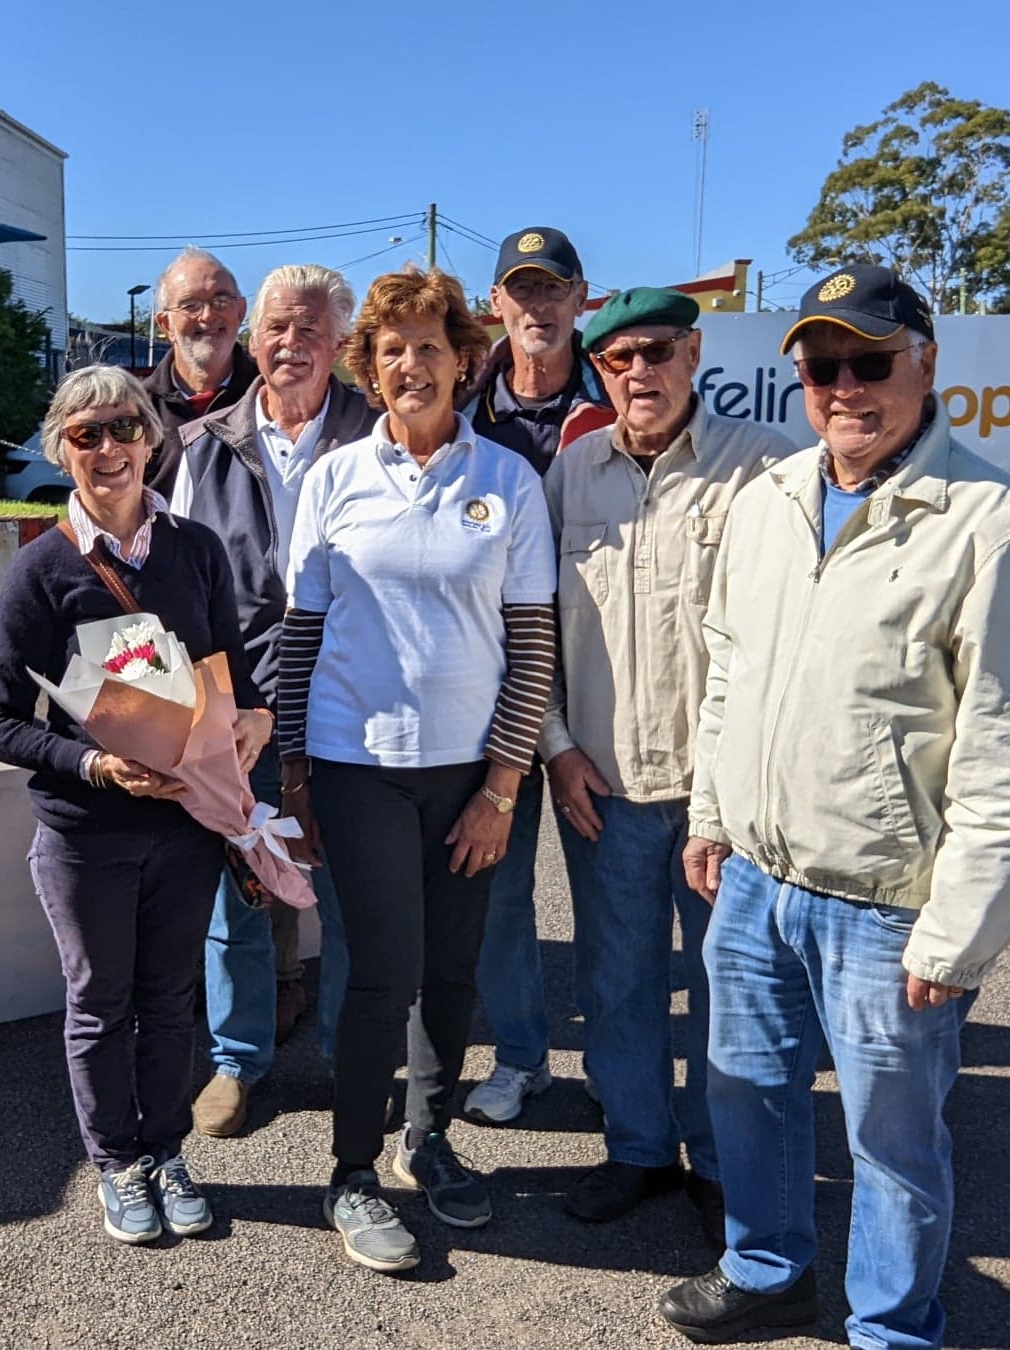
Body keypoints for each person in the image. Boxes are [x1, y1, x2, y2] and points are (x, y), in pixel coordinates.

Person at [659, 265, 1010, 1346]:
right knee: (746, 1092)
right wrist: (711, 816)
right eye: (822, 366)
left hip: (888, 907)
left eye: (870, 361)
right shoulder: (770, 501)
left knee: (893, 1142)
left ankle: (890, 1326)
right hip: (753, 881)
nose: (845, 386)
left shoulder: (994, 527)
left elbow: (1009, 751)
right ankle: (764, 1265)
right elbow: (729, 671)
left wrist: (962, 931)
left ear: (926, 363)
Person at [279, 267, 558, 1272]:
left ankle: (425, 1139)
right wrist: (293, 778)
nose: (410, 365)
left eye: (429, 346)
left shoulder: (508, 482)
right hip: (358, 771)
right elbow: (299, 640)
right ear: (370, 364)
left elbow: (532, 646)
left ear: (462, 360)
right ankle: (352, 1172)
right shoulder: (334, 480)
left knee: (452, 970)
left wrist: (500, 789)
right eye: (391, 349)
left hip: (470, 781)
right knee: (382, 971)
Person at [0, 365, 271, 1246]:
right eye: (85, 434)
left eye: (124, 428)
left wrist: (252, 720)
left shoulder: (196, 550)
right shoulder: (41, 568)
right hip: (86, 831)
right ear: (60, 450)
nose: (108, 449)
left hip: (182, 824)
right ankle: (115, 1163)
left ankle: (165, 1150)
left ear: (153, 437)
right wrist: (96, 765)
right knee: (101, 1001)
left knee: (172, 998)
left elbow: (234, 673)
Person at [540, 287, 795, 1243]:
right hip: (599, 786)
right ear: (599, 372)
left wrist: (729, 797)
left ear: (693, 355)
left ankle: (724, 1165)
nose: (636, 373)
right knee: (617, 981)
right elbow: (537, 636)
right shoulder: (572, 475)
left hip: (715, 797)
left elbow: (778, 641)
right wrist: (556, 750)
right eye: (616, 359)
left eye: (655, 352)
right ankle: (639, 1150)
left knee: (733, 990)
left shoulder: (763, 471)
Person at [172, 264, 370, 1136]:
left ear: (339, 343)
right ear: (255, 342)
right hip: (239, 707)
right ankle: (237, 1060)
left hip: (361, 701)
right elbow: (173, 588)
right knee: (240, 893)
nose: (292, 345)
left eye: (312, 329)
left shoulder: (382, 430)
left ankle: (351, 1056)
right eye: (278, 330)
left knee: (358, 895)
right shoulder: (204, 444)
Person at [458, 226, 611, 1126]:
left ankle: (616, 1059)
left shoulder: (624, 396)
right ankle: (522, 1056)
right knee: (501, 892)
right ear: (497, 307)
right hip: (496, 698)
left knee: (609, 898)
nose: (538, 307)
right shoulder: (468, 414)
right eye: (521, 290)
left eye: (553, 289)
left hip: (601, 694)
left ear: (581, 297)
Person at [141, 247, 258, 491]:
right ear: (165, 324)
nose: (207, 316)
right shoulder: (138, 408)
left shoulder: (269, 398)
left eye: (221, 301)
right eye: (190, 305)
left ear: (241, 311)